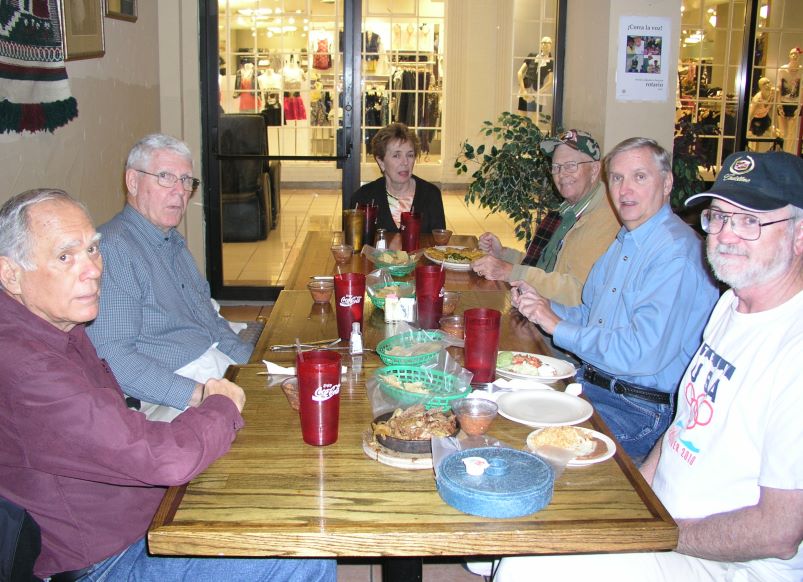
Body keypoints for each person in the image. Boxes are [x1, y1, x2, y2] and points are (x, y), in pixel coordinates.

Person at [496, 150, 803, 582]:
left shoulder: (792, 351)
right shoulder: (733, 306)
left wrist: (654, 531)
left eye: (751, 221)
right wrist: (637, 491)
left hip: (725, 558)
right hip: (657, 497)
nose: (727, 234)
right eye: (718, 217)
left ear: (799, 234)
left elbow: (777, 533)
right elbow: (685, 422)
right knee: (503, 429)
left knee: (528, 557)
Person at [0, 189, 335, 581]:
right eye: (64, 257)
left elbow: (118, 429)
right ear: (10, 274)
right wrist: (218, 402)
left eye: (92, 249)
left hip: (139, 507)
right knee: (305, 554)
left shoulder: (56, 325)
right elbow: (166, 459)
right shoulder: (26, 366)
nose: (92, 269)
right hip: (102, 560)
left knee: (274, 493)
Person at [512, 137, 719, 462]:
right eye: (618, 178)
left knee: (529, 449)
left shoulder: (675, 255)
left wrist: (557, 326)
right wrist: (545, 310)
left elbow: (640, 354)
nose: (624, 190)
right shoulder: (625, 240)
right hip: (593, 384)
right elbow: (592, 314)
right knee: (501, 404)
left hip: (639, 410)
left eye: (639, 177)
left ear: (666, 183)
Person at [87, 134, 253, 422]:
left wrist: (256, 365)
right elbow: (115, 361)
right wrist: (202, 394)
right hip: (171, 392)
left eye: (187, 181)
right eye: (165, 177)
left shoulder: (171, 241)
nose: (179, 191)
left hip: (211, 368)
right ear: (133, 182)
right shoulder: (114, 251)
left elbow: (211, 323)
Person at [471, 129, 620, 306]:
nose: (562, 174)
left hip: (562, 325)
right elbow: (544, 267)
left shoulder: (606, 220)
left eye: (571, 165)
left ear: (595, 169)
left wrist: (510, 272)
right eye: (556, 167)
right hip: (539, 309)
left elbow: (579, 293)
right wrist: (503, 255)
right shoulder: (567, 211)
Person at [350, 122, 445, 233]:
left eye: (410, 155)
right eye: (396, 155)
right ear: (381, 162)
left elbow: (440, 246)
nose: (405, 162)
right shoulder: (363, 198)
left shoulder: (431, 195)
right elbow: (353, 247)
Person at [777, 47, 802, 154]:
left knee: (792, 134)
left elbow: (802, 90)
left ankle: (789, 155)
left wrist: (800, 106)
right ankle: (782, 154)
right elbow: (778, 88)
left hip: (795, 103)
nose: (794, 56)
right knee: (783, 132)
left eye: (796, 54)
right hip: (783, 102)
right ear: (789, 55)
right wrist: (778, 104)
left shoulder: (801, 71)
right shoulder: (782, 70)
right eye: (792, 54)